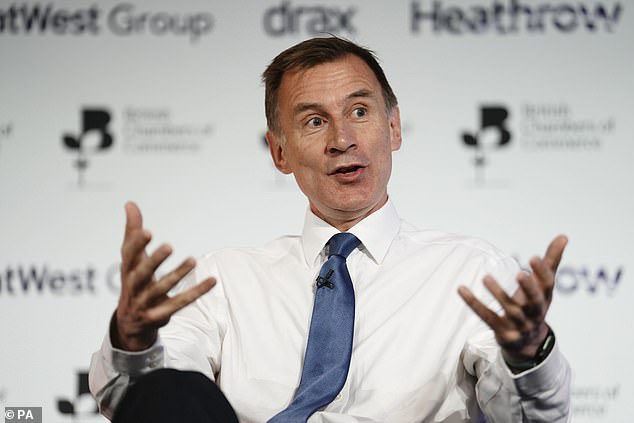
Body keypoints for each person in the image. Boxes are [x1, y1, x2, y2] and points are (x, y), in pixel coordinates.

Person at [89, 36, 571, 422]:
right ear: (280, 152)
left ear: (394, 128)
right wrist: (133, 343)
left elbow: (533, 417)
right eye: (315, 121)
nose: (343, 140)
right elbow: (145, 405)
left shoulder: (471, 272)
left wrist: (527, 354)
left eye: (360, 112)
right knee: (168, 388)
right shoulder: (224, 281)